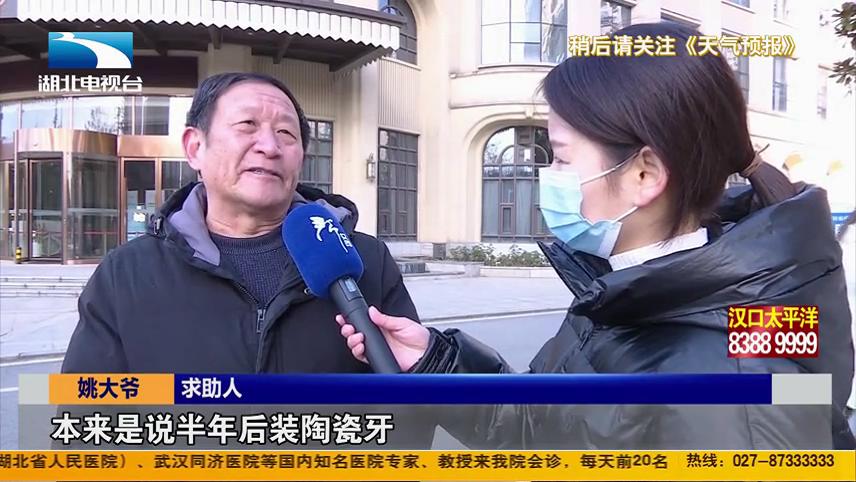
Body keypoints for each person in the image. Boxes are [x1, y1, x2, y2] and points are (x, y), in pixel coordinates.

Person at [337, 23, 856, 450]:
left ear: (645, 174)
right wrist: (436, 361)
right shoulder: (626, 294)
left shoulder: (736, 394)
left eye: (562, 157)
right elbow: (544, 425)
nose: (548, 175)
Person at [62, 72, 420, 386]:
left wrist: (430, 362)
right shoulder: (126, 275)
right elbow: (87, 420)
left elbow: (420, 421)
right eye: (247, 125)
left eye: (286, 133)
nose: (269, 147)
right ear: (195, 147)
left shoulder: (364, 260)